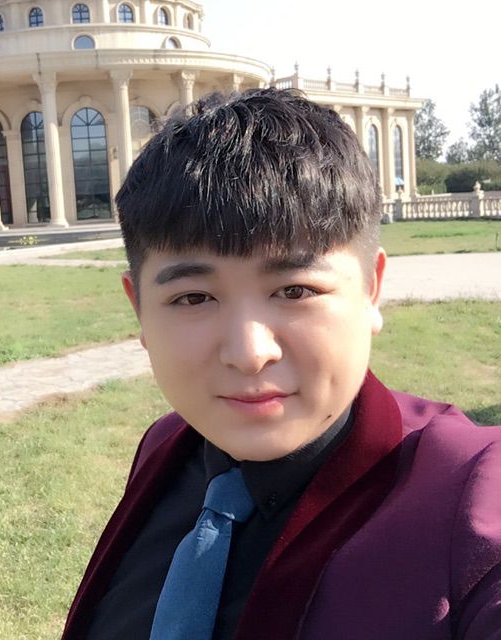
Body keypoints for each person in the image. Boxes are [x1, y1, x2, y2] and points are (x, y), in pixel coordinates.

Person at [61, 89, 501, 639]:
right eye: (193, 297)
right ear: (140, 311)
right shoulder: (167, 446)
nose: (250, 353)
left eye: (295, 290)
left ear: (371, 289)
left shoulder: (470, 494)